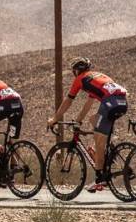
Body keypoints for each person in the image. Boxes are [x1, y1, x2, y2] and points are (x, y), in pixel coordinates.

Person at [47, 57, 127, 193]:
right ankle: (110, 152)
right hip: (122, 102)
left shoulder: (81, 79)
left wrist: (54, 118)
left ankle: (99, 180)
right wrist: (78, 121)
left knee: (98, 140)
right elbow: (88, 104)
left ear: (76, 71)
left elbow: (68, 101)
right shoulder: (97, 77)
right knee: (93, 120)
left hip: (110, 103)